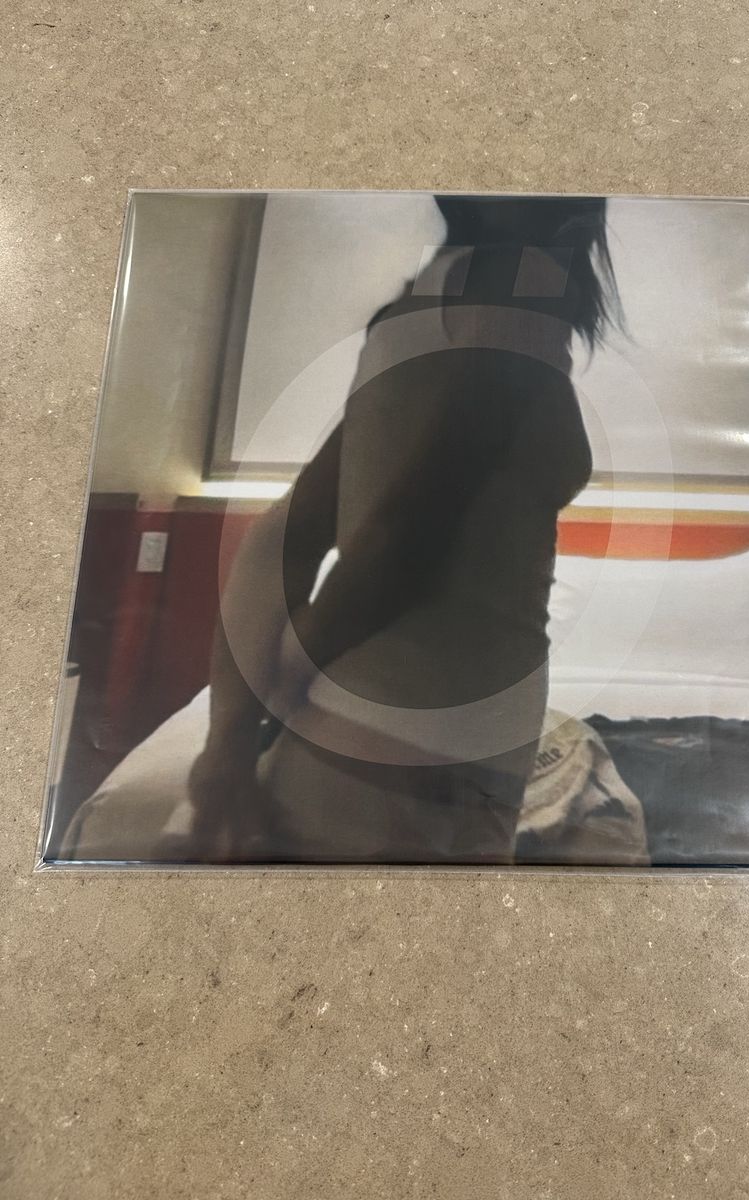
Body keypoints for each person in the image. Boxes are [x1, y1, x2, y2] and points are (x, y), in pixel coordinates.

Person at [189, 194, 621, 863]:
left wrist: (231, 740)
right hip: (427, 754)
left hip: (376, 744)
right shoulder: (520, 281)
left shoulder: (421, 304)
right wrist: (292, 676)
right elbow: (410, 529)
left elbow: (286, 534)